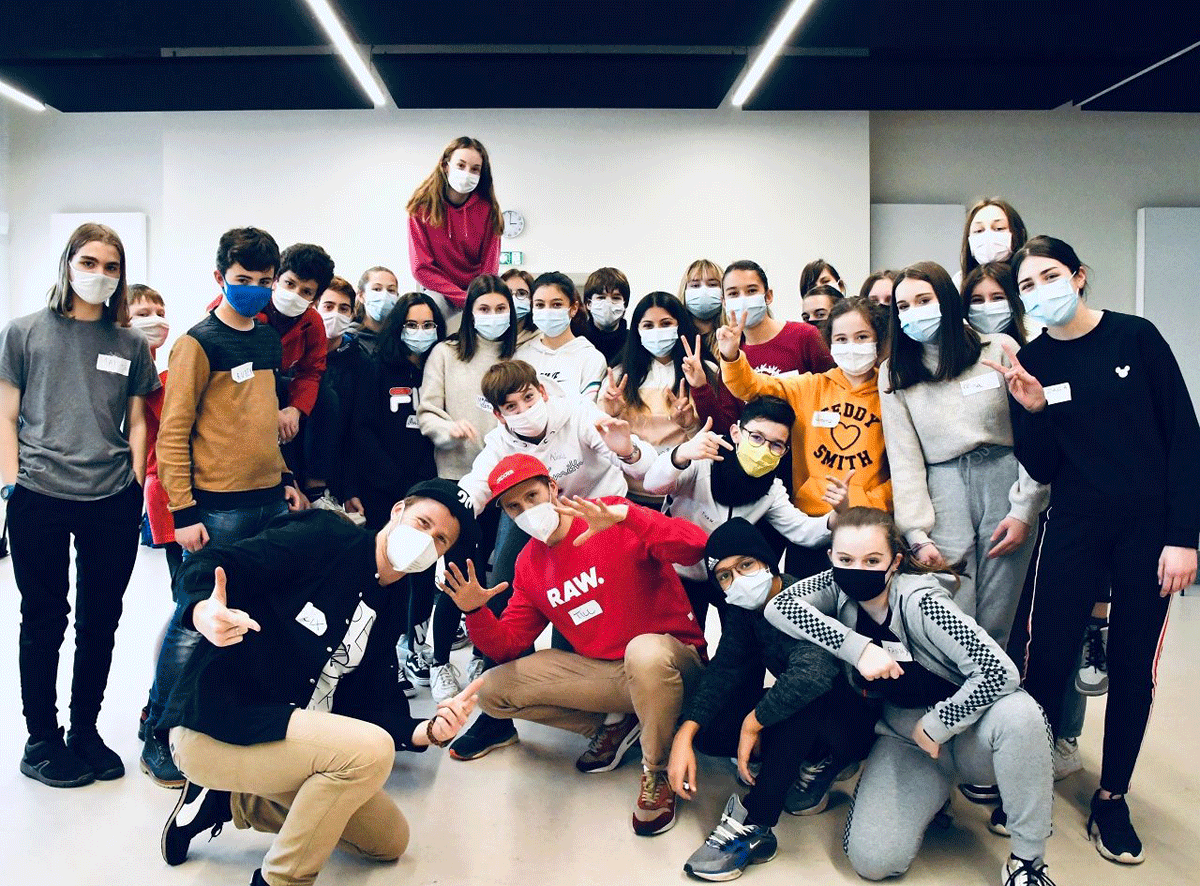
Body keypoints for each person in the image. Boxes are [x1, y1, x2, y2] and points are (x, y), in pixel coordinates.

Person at [986, 235, 1200, 865]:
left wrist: (1183, 538)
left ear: (1079, 276)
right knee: (1046, 661)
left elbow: (1184, 438)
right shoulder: (1032, 360)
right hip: (1074, 529)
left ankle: (1112, 798)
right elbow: (1044, 466)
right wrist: (1032, 409)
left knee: (1133, 664)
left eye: (1049, 276)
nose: (1039, 292)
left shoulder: (1136, 337)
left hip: (1148, 534)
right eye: (1026, 286)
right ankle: (1028, 783)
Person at [158, 480, 482, 886]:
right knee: (369, 754)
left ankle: (228, 802)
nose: (427, 541)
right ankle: (281, 880)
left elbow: (369, 707)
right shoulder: (324, 537)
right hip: (217, 729)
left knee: (389, 841)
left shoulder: (394, 600)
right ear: (398, 511)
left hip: (294, 745)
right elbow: (212, 563)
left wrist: (429, 730)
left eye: (440, 540)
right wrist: (203, 610)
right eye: (423, 523)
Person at [765, 507, 1056, 886]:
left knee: (1021, 713)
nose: (858, 569)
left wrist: (939, 724)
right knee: (872, 862)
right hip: (907, 742)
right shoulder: (837, 586)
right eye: (846, 559)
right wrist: (858, 648)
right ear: (831, 558)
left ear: (895, 562)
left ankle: (1027, 861)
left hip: (972, 735)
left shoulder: (923, 602)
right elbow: (780, 606)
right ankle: (933, 800)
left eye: (872, 560)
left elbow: (1000, 671)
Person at [442, 454, 708, 837]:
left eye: (532, 496)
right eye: (514, 507)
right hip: (611, 674)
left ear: (553, 488)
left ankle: (657, 769)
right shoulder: (529, 564)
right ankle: (617, 725)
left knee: (644, 653)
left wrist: (630, 517)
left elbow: (697, 547)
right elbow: (509, 645)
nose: (526, 511)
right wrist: (474, 611)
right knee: (491, 692)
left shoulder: (609, 514)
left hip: (674, 663)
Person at [142, 228, 305, 789]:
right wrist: (183, 512)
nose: (254, 289)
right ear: (220, 278)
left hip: (268, 502)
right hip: (215, 511)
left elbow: (262, 422)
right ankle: (157, 729)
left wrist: (286, 479)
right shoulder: (197, 343)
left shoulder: (267, 340)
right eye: (243, 279)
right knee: (194, 618)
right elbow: (173, 433)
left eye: (264, 281)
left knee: (249, 618)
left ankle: (221, 716)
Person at [0, 222, 158, 788]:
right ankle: (41, 739)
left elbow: (137, 421)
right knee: (44, 619)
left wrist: (134, 483)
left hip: (111, 498)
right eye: (89, 263)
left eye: (111, 267)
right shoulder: (23, 332)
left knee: (100, 619)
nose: (100, 275)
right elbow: (6, 415)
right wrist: (12, 484)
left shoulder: (130, 344)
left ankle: (85, 731)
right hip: (38, 494)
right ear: (68, 264)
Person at [446, 360, 658, 758]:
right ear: (499, 415)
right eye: (511, 407)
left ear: (542, 392)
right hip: (534, 513)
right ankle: (497, 720)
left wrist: (628, 451)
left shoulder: (579, 414)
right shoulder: (500, 442)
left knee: (579, 611)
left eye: (529, 398)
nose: (524, 410)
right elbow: (473, 487)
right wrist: (440, 514)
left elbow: (643, 467)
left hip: (595, 512)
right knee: (502, 590)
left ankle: (600, 709)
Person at [669, 519, 878, 882]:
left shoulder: (802, 600)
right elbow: (725, 667)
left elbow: (813, 676)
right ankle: (801, 757)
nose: (737, 579)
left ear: (767, 561)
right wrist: (685, 733)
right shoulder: (745, 611)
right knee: (710, 732)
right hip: (812, 709)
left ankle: (757, 823)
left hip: (852, 721)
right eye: (724, 575)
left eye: (746, 564)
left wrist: (753, 723)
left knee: (801, 697)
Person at [880, 262, 1045, 648]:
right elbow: (904, 457)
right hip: (943, 486)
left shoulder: (999, 348)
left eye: (924, 300)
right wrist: (915, 533)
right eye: (903, 306)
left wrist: (1026, 508)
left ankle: (996, 685)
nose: (913, 312)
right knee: (952, 612)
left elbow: (1033, 434)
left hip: (1005, 479)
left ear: (947, 301)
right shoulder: (894, 371)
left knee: (999, 613)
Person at [720, 296, 893, 577]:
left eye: (862, 337)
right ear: (830, 344)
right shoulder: (809, 386)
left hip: (869, 525)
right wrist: (731, 357)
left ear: (878, 340)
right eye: (841, 339)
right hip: (811, 526)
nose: (852, 346)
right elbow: (751, 386)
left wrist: (861, 501)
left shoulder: (890, 395)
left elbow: (901, 472)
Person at [642, 396, 849, 629]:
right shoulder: (703, 458)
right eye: (757, 437)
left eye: (776, 445)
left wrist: (838, 514)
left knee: (741, 640)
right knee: (681, 642)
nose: (764, 450)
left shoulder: (771, 488)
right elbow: (653, 485)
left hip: (730, 578)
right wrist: (681, 454)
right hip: (680, 574)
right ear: (736, 432)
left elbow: (802, 530)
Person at [416, 275, 519, 691]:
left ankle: (482, 656)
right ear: (469, 313)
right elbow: (426, 411)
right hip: (457, 479)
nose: (493, 317)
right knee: (457, 574)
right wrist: (448, 429)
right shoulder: (446, 353)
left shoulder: (520, 352)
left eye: (500, 309)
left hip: (507, 485)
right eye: (484, 309)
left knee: (498, 577)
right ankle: (440, 661)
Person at [599, 292, 734, 506]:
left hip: (686, 492)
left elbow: (719, 433)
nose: (657, 332)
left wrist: (691, 424)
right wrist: (610, 413)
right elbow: (600, 437)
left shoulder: (705, 370)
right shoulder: (618, 375)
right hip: (630, 493)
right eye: (648, 326)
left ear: (680, 325)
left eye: (666, 324)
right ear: (637, 330)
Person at [355, 293, 442, 531]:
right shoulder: (376, 367)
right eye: (411, 325)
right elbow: (363, 431)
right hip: (382, 487)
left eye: (428, 325)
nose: (420, 331)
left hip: (429, 486)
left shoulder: (440, 369)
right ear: (398, 327)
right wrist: (395, 481)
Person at [407, 136, 502, 329]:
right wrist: (460, 298)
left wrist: (476, 297)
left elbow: (489, 267)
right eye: (461, 165)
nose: (467, 173)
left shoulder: (488, 210)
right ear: (445, 166)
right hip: (439, 290)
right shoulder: (421, 209)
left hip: (476, 290)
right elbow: (421, 268)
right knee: (426, 317)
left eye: (475, 169)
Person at [127, 283, 182, 579]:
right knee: (182, 570)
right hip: (160, 481)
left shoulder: (163, 374)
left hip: (174, 479)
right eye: (143, 313)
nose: (156, 320)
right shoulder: (146, 379)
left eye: (160, 313)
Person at [303, 276, 366, 516]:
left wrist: (351, 490)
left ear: (352, 313)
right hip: (293, 478)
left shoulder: (360, 362)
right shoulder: (296, 355)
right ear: (314, 307)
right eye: (328, 306)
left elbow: (357, 430)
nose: (335, 314)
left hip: (336, 481)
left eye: (343, 308)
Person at [723, 260, 833, 377]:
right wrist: (730, 358)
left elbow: (834, 384)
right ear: (724, 303)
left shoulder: (805, 336)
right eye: (733, 293)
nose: (743, 299)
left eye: (751, 291)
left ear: (768, 296)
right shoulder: (730, 352)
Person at [517, 270, 607, 399]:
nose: (547, 311)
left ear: (573, 308)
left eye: (557, 305)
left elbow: (588, 408)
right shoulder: (521, 356)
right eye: (540, 305)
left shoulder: (591, 358)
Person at [962, 261, 1037, 345]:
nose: (987, 307)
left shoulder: (1035, 344)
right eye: (977, 300)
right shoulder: (957, 348)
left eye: (997, 298)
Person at [958, 197, 1028, 283]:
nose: (988, 236)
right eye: (979, 230)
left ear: (1018, 234)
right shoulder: (959, 282)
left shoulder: (1029, 276)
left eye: (999, 228)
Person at [581, 266, 632, 366]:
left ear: (625, 305)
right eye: (601, 297)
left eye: (616, 298)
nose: (608, 303)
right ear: (588, 304)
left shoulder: (633, 342)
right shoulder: (577, 340)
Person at [677, 259, 725, 354]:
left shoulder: (735, 336)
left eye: (712, 284)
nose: (704, 291)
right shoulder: (675, 339)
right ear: (684, 291)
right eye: (695, 285)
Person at [353, 266, 401, 356]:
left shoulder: (400, 338)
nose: (384, 295)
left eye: (391, 290)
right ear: (361, 295)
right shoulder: (350, 339)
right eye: (377, 289)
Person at [500, 267, 541, 345]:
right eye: (508, 293)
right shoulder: (491, 338)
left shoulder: (539, 340)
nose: (513, 299)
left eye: (522, 293)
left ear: (532, 299)